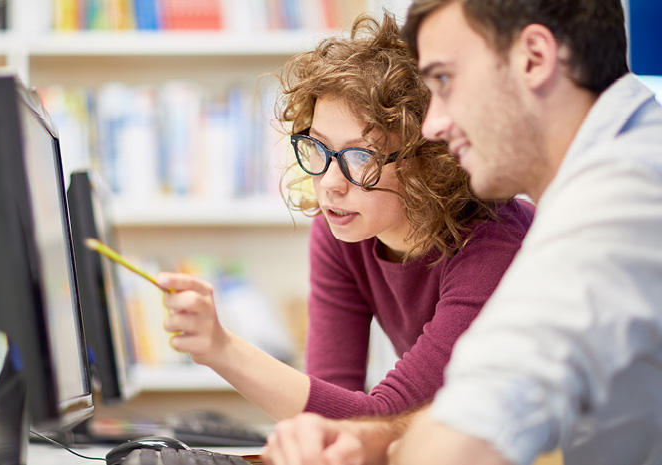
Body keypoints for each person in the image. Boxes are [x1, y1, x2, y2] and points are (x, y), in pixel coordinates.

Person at [262, 1, 662, 464]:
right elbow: (501, 379)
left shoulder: (624, 196)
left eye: (446, 81)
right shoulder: (614, 172)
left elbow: (481, 423)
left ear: (534, 58)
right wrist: (378, 437)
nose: (432, 127)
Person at [156, 12, 533, 422]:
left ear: (430, 162)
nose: (331, 183)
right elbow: (331, 405)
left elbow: (378, 417)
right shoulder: (342, 229)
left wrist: (223, 350)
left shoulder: (494, 247)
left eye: (360, 156)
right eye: (318, 148)